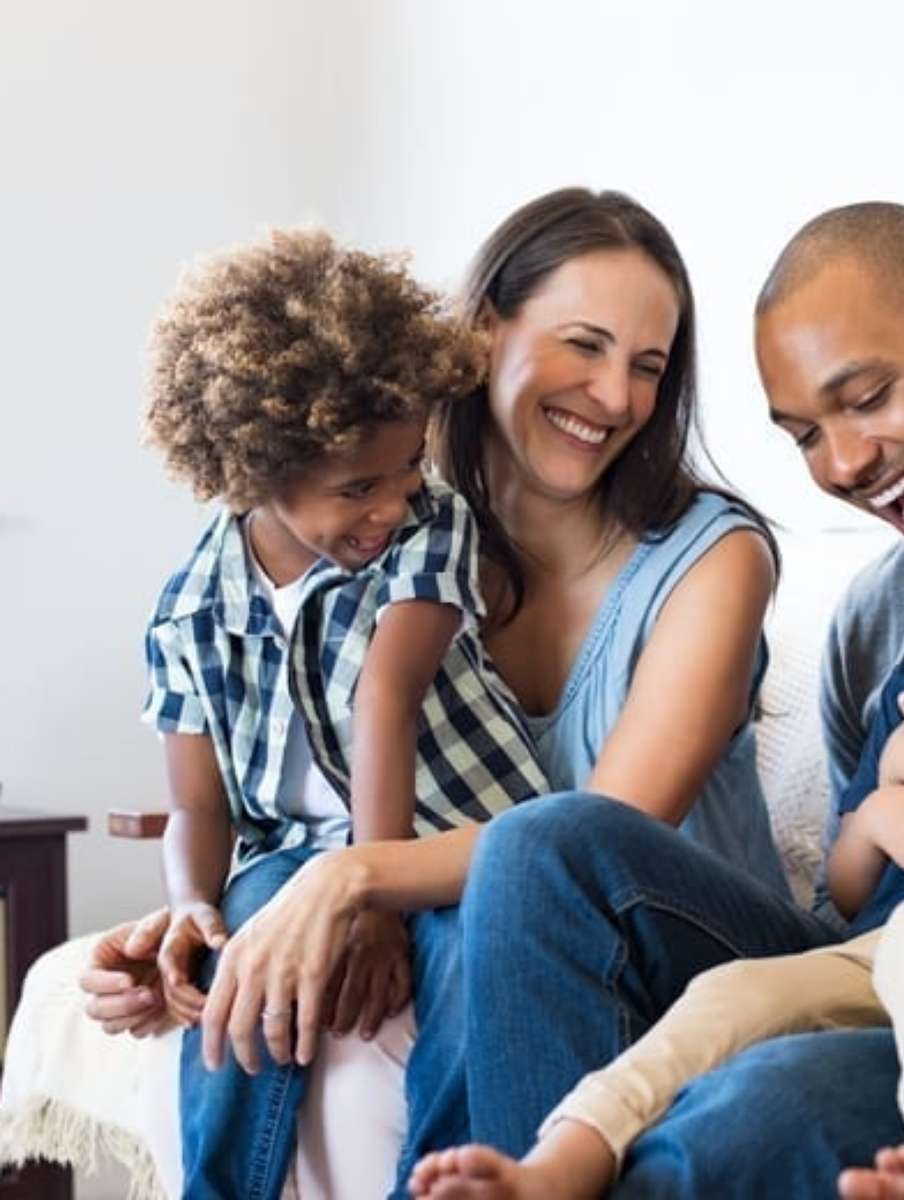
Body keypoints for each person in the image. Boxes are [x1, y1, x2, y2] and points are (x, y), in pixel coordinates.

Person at [416, 202, 904, 1197]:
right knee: (546, 846)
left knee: (759, 1105)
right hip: (901, 966)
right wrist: (881, 810)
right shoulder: (877, 625)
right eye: (803, 437)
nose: (842, 465)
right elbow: (854, 897)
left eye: (866, 396)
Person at [79, 188, 812, 1198]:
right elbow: (285, 772)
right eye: (584, 345)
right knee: (271, 954)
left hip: (675, 951)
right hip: (498, 927)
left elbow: (599, 837)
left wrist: (353, 877)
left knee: (497, 900)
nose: (615, 396)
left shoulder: (712, 560)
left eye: (648, 366)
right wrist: (197, 913)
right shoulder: (388, 528)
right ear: (480, 336)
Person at [137, 227, 551, 1196]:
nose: (392, 501)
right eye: (358, 487)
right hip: (289, 856)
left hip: (458, 835)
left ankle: (446, 1182)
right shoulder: (190, 609)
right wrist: (193, 904)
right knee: (245, 946)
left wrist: (371, 894)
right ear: (253, 471)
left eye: (408, 465)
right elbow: (200, 807)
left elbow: (386, 697)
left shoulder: (428, 523)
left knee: (466, 961)